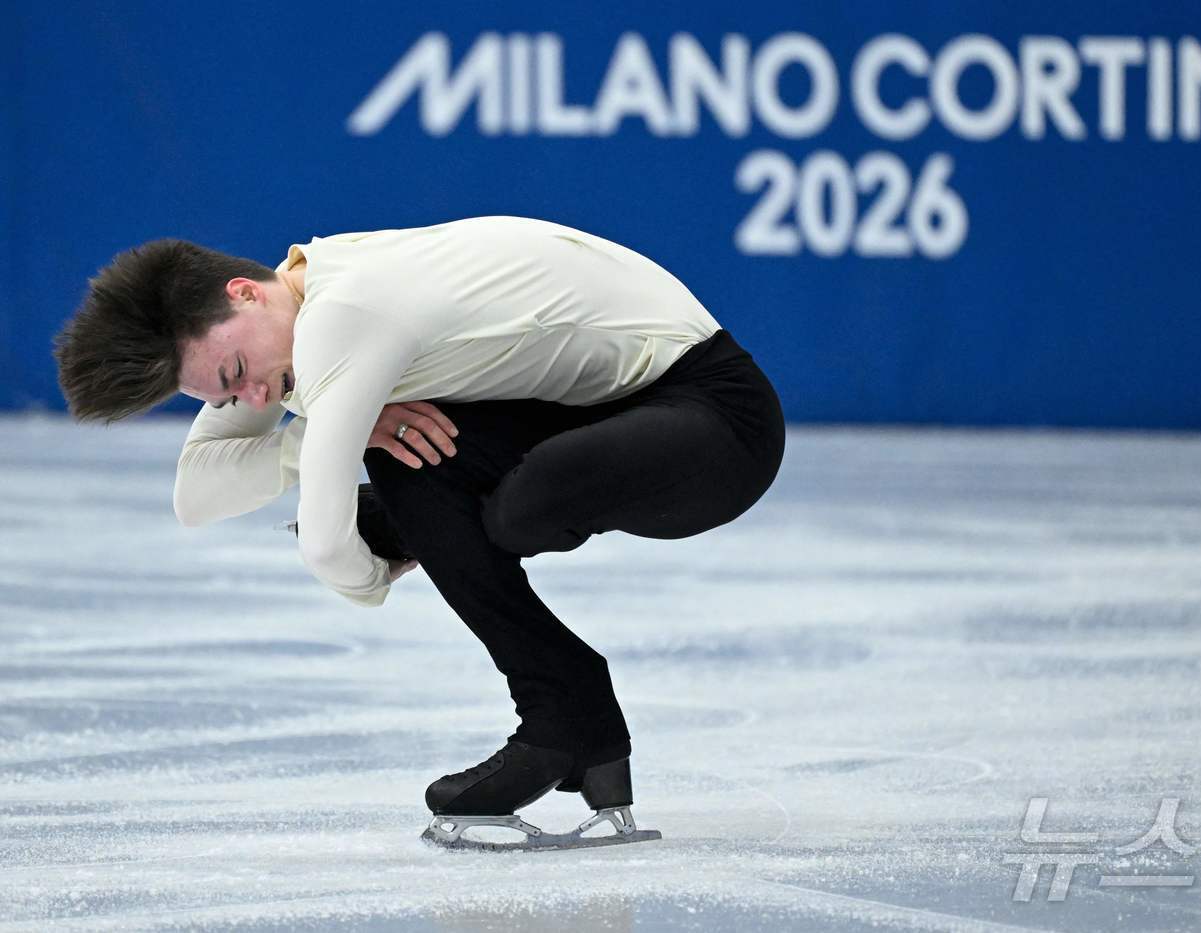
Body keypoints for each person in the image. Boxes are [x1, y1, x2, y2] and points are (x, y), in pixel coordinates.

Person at [53, 216, 786, 849]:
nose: (249, 396)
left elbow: (326, 548)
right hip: (590, 419)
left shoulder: (343, 312)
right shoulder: (288, 324)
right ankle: (569, 715)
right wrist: (298, 444)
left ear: (243, 292)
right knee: (408, 450)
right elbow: (195, 491)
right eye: (224, 394)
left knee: (507, 500)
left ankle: (562, 705)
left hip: (717, 423)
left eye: (239, 371)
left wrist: (384, 552)